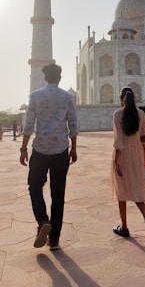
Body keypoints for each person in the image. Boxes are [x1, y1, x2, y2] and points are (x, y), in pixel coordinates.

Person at [20, 63, 78, 251]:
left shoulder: (36, 95)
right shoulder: (67, 97)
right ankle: (54, 239)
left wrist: (23, 148)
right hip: (61, 149)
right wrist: (74, 148)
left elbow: (29, 124)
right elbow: (73, 124)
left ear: (45, 77)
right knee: (58, 194)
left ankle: (42, 220)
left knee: (34, 186)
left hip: (40, 149)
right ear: (59, 78)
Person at [111, 87, 145, 246]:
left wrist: (116, 160)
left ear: (121, 98)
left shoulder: (118, 114)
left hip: (123, 154)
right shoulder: (141, 114)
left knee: (121, 191)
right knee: (137, 189)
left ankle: (124, 226)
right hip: (138, 153)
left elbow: (118, 140)